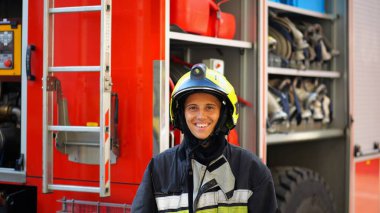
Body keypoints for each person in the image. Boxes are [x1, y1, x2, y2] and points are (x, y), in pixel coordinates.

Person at [131, 64, 277, 212]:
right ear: (182, 115)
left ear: (223, 113)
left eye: (210, 107)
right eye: (192, 107)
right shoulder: (159, 169)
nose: (201, 116)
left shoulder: (251, 169)